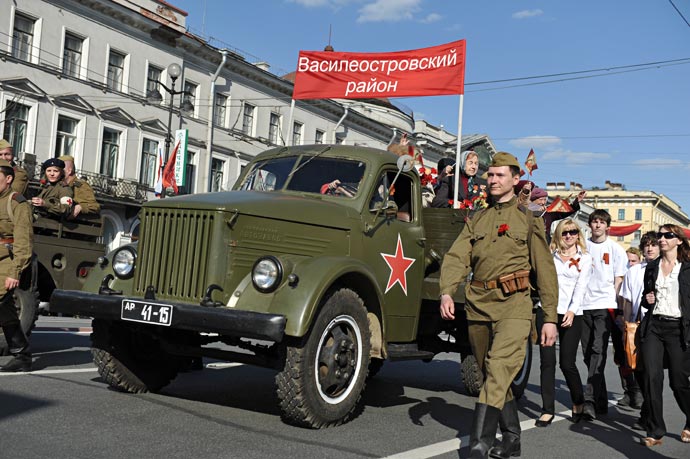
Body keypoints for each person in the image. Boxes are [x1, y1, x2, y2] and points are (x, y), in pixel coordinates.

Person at [439, 152, 558, 458]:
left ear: (515, 179)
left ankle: (478, 445)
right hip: (479, 305)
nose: (492, 180)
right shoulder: (477, 218)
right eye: (490, 175)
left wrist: (549, 318)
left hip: (514, 306)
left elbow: (544, 269)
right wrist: (447, 292)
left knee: (499, 368)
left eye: (499, 175)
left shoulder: (528, 220)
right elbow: (456, 257)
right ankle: (513, 438)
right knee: (489, 374)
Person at [535, 219, 592, 427]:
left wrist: (572, 310)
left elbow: (581, 287)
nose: (568, 236)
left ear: (578, 234)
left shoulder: (585, 258)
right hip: (547, 310)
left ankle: (578, 402)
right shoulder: (550, 256)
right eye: (564, 233)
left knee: (567, 363)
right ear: (558, 235)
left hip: (572, 313)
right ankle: (547, 410)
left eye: (572, 232)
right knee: (547, 361)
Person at [638, 224, 690, 447]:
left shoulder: (687, 268)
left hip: (679, 329)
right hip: (654, 327)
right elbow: (645, 297)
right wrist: (646, 300)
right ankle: (655, 429)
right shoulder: (652, 267)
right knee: (651, 376)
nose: (661, 239)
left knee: (678, 382)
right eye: (659, 235)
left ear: (678, 240)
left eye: (667, 235)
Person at [580, 209, 628, 421]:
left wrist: (618, 309)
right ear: (590, 225)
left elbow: (619, 279)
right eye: (594, 222)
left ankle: (589, 399)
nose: (597, 225)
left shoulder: (616, 249)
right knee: (587, 353)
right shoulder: (582, 247)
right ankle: (600, 402)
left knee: (599, 350)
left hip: (605, 304)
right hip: (583, 304)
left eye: (601, 222)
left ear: (608, 226)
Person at [619, 232, 659, 428]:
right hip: (637, 325)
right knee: (640, 371)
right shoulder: (634, 271)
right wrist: (626, 326)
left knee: (653, 372)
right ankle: (647, 411)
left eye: (654, 245)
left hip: (659, 326)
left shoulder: (666, 269)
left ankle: (649, 414)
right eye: (647, 245)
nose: (650, 248)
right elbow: (627, 300)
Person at [0, 159, 33, 372]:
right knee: (4, 307)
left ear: (8, 178)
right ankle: (21, 354)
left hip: (8, 259)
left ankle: (21, 353)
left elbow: (24, 242)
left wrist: (15, 271)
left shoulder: (17, 203)